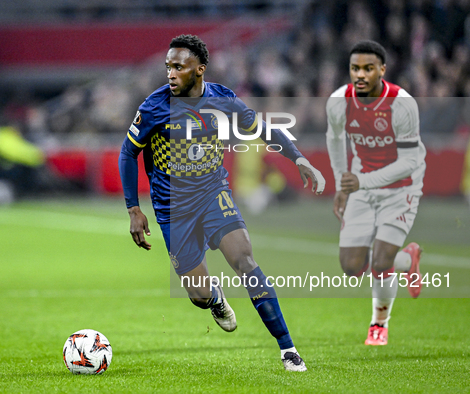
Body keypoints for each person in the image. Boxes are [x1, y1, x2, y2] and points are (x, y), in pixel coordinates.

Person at [119, 34, 325, 372]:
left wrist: (298, 158)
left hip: (213, 194)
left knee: (245, 260)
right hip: (173, 209)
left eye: (179, 67)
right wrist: (133, 208)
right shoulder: (154, 107)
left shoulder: (223, 100)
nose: (170, 74)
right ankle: (215, 299)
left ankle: (288, 349)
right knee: (198, 296)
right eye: (168, 67)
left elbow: (261, 128)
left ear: (199, 70)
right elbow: (129, 152)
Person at [326, 40, 425, 346]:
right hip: (361, 184)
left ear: (382, 70)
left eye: (369, 68)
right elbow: (334, 139)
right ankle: (408, 259)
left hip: (400, 188)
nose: (361, 74)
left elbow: (409, 162)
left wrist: (360, 182)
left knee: (381, 262)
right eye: (355, 68)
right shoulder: (339, 101)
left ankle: (378, 324)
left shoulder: (402, 104)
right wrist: (343, 185)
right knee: (351, 267)